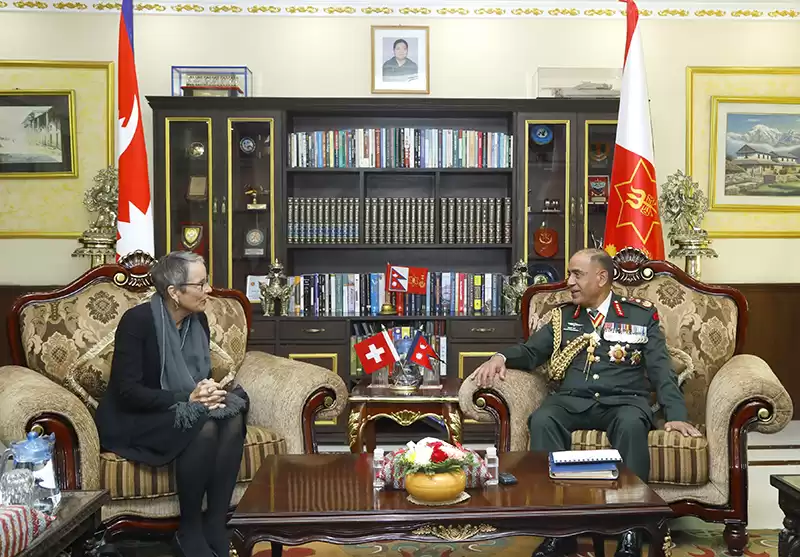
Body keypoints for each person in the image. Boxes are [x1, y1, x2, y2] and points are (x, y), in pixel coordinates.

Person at [473, 248, 701, 557]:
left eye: (577, 274)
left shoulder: (639, 315)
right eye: (570, 274)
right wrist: (500, 356)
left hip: (623, 402)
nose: (569, 281)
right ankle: (558, 529)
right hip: (573, 400)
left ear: (601, 278)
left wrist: (676, 414)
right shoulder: (564, 317)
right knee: (543, 419)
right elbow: (531, 352)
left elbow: (662, 370)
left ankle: (631, 530)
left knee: (632, 424)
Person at [95, 251, 249, 557]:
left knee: (230, 415)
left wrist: (206, 390)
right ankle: (189, 530)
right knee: (205, 425)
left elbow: (197, 375)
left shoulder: (198, 319)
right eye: (200, 284)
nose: (209, 290)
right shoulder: (137, 322)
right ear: (174, 292)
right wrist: (188, 398)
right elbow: (128, 392)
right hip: (135, 416)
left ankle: (215, 525)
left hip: (181, 407)